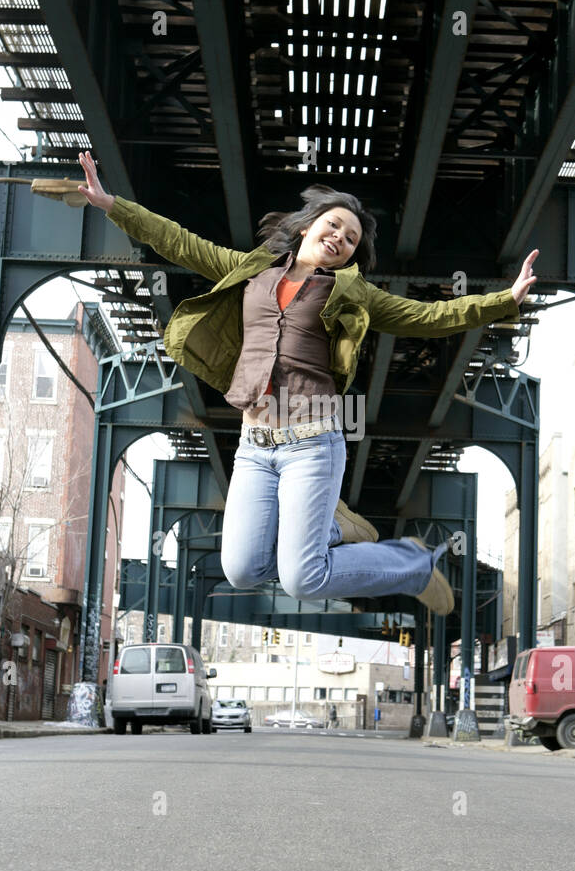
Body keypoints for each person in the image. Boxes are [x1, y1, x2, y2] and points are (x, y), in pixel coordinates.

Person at [76, 151, 538, 615]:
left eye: (352, 238)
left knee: (302, 577)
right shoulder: (253, 270)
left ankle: (410, 564)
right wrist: (112, 204)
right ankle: (328, 528)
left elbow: (428, 317)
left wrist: (504, 300)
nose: (340, 237)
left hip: (312, 443)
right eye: (334, 226)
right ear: (306, 227)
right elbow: (178, 242)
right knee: (241, 568)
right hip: (254, 445)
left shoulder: (351, 293)